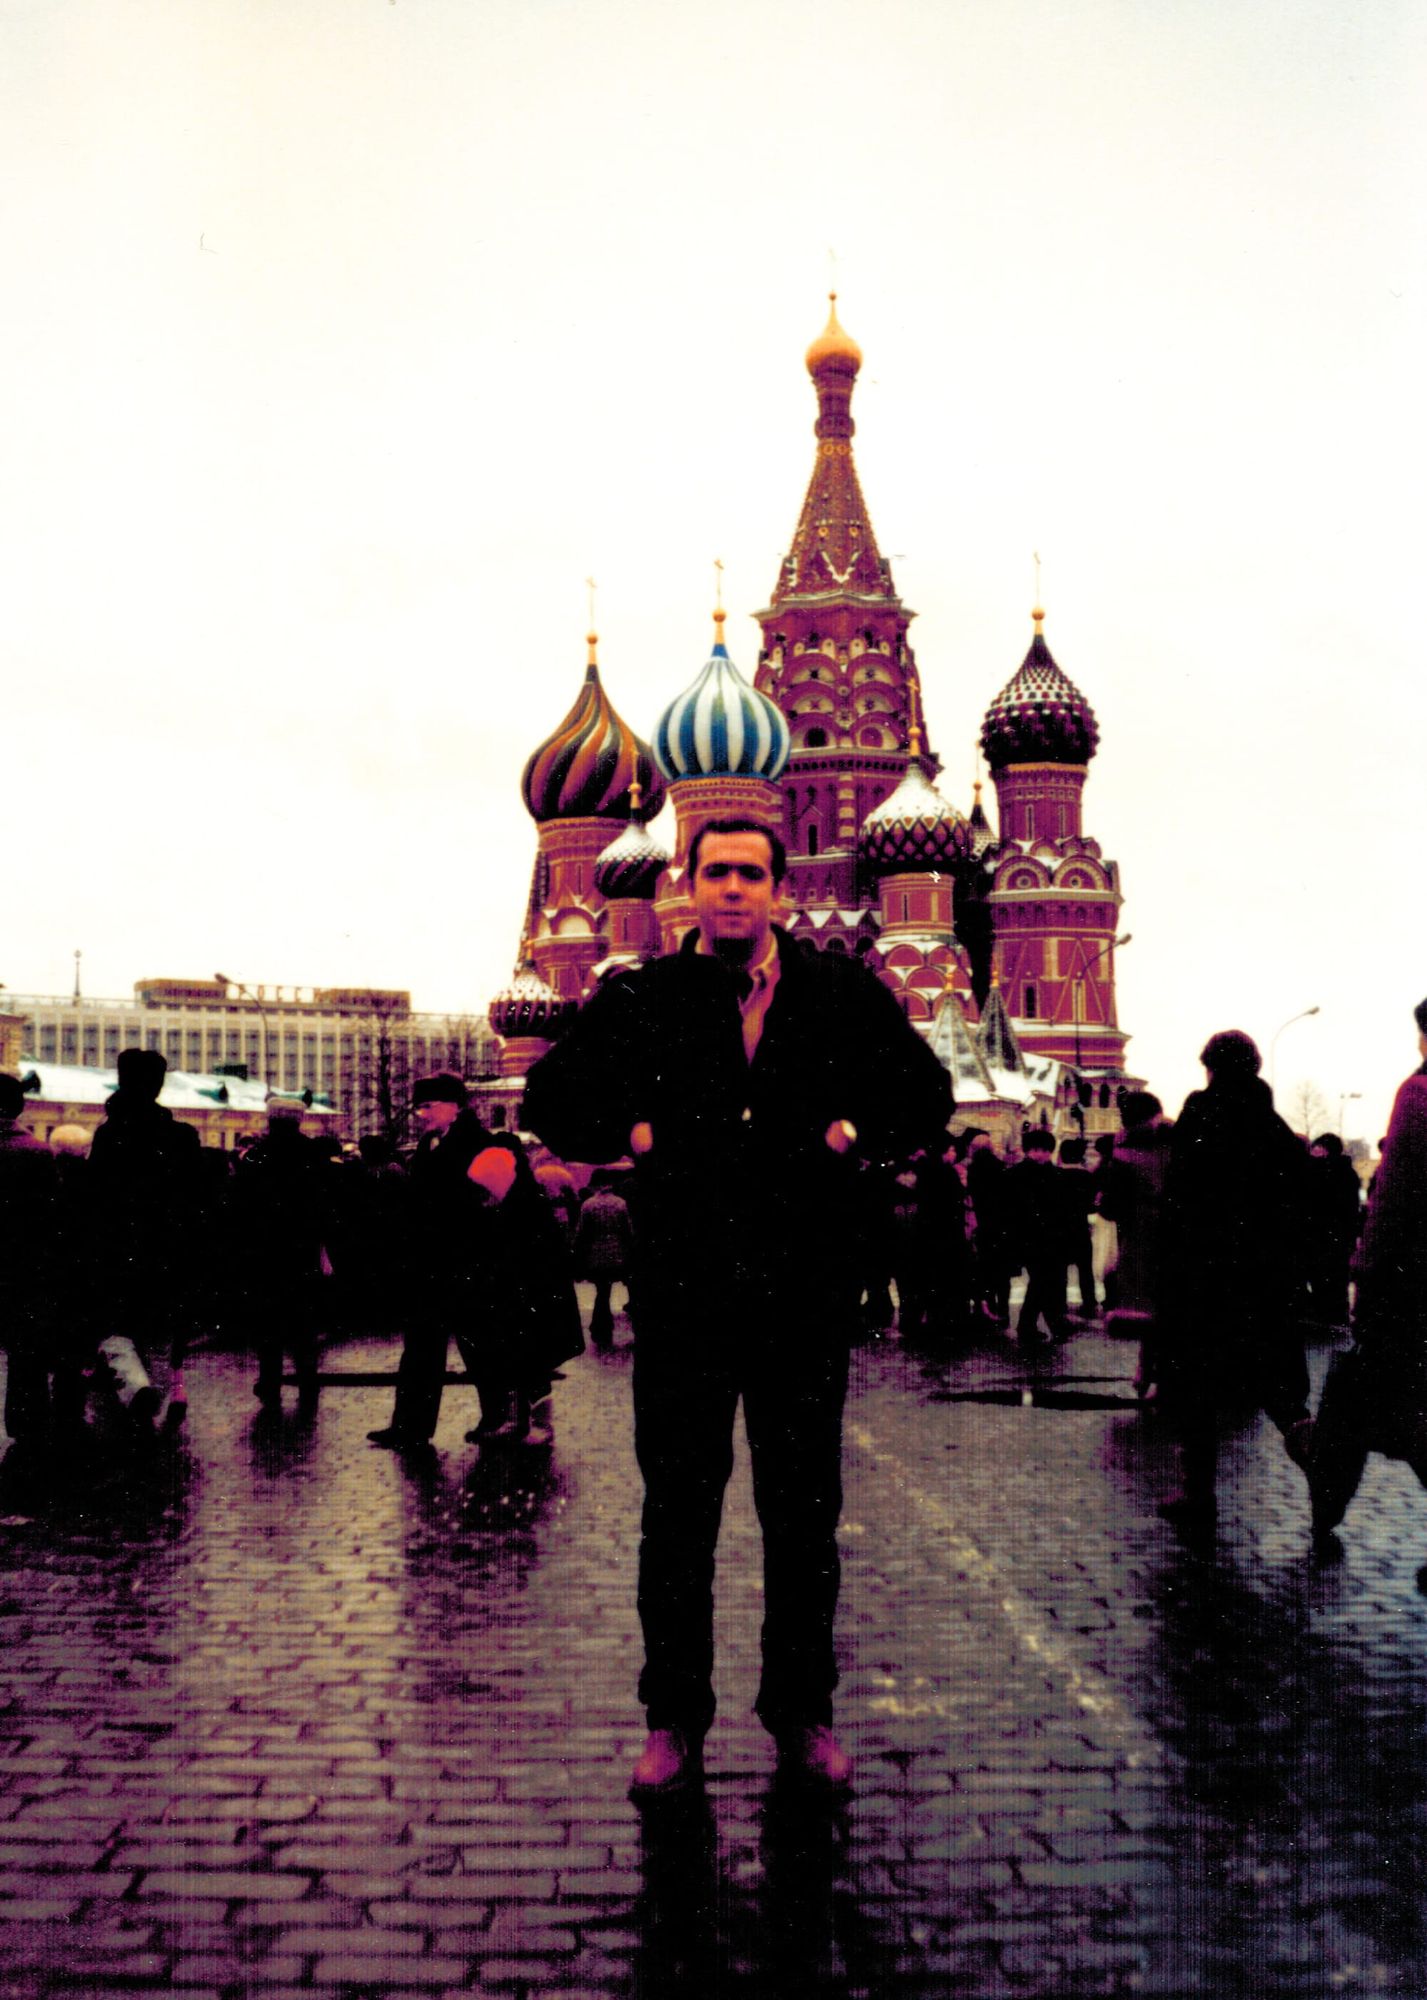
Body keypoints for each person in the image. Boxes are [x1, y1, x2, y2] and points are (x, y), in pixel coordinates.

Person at [522, 818, 951, 1794]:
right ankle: (673, 1722)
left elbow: (925, 1095)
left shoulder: (838, 992)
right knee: (677, 1514)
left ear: (776, 890)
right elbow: (551, 1095)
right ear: (688, 883)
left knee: (802, 1515)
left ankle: (801, 1716)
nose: (731, 889)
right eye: (714, 871)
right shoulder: (643, 995)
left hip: (801, 1296)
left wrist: (851, 1134)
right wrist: (631, 1132)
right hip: (686, 1296)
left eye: (749, 874)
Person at [367, 1074, 581, 1452]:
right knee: (421, 1347)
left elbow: (498, 1206)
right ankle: (410, 1426)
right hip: (431, 1266)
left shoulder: (482, 1145)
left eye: (428, 1106)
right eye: (418, 1108)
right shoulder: (429, 1145)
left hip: (470, 1266)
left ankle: (497, 1419)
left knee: (483, 1347)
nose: (421, 1114)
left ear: (455, 1106)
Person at [1159, 1029, 1314, 1538]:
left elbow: (1178, 1199)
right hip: (1267, 1281)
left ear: (1210, 1068)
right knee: (1276, 1386)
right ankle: (1316, 1458)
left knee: (1197, 1389)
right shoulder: (1275, 1128)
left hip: (1205, 1280)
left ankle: (1197, 1494)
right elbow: (1299, 1208)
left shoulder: (1200, 1115)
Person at [1308, 999, 1427, 1562]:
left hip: (1411, 1289)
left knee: (1368, 1405)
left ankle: (1326, 1508)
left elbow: (1395, 1198)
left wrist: (1369, 1276)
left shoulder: (1419, 1095)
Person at [86, 1047, 202, 1433]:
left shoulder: (110, 1134)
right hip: (170, 1246)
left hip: (118, 1247)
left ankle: (137, 1388)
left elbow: (97, 1196)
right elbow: (196, 1198)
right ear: (158, 1085)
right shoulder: (182, 1136)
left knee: (117, 1324)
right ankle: (155, 1394)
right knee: (161, 1326)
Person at [231, 1099, 333, 1408]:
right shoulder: (314, 1154)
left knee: (268, 1322)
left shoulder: (256, 1156)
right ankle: (308, 1382)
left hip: (265, 1250)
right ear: (299, 1120)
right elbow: (325, 1204)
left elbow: (240, 1205)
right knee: (303, 1320)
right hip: (303, 1249)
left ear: (270, 1120)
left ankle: (270, 1383)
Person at [1095, 1091, 1173, 1398]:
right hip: (1177, 1238)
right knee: (1169, 1308)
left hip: (1139, 1241)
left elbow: (1109, 1208)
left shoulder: (1122, 1154)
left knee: (1146, 1309)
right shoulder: (1178, 1147)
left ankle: (1144, 1371)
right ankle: (1161, 1376)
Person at [0, 1074, 62, 1443]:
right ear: (20, 1107)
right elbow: (53, 1218)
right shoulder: (37, 1153)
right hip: (23, 1267)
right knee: (26, 1351)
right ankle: (26, 1426)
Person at [1003, 1129, 1070, 1346]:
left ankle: (1033, 1325)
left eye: (1045, 1150)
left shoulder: (1053, 1174)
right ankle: (1047, 1325)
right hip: (1030, 1237)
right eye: (1036, 1150)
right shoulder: (1017, 1175)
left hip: (1050, 1237)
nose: (1040, 1154)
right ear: (1027, 1150)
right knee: (1043, 1280)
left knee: (1043, 1281)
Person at [1303, 1132, 1362, 1328]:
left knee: (1322, 1277)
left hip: (1321, 1235)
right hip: (1341, 1236)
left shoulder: (1320, 1172)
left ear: (1323, 1150)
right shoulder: (1348, 1172)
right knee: (1337, 1279)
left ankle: (1326, 1317)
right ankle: (1337, 1316)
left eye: (1316, 1148)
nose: (1312, 1152)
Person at [572, 1173, 635, 1349]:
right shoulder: (621, 1203)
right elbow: (628, 1231)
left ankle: (601, 1327)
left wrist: (578, 1254)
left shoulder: (588, 1205)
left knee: (602, 1291)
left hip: (596, 1255)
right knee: (609, 1290)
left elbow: (581, 1233)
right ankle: (602, 1327)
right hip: (617, 1254)